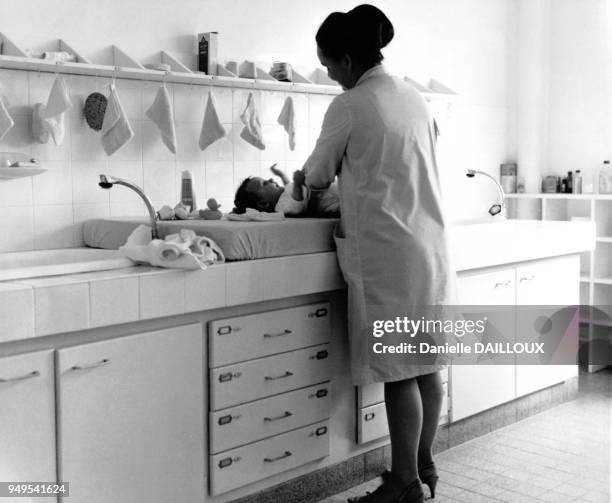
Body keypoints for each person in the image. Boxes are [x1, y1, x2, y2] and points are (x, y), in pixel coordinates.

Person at [303, 5, 457, 503]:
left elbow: (316, 175)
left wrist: (293, 194)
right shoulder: (414, 97)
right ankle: (424, 463)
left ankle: (405, 484)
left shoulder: (351, 103)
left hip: (390, 254)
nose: (327, 72)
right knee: (428, 363)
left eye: (327, 62)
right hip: (429, 246)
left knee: (398, 373)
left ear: (347, 59)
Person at [233, 163, 339, 216]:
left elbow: (288, 185)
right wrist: (297, 184)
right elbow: (296, 206)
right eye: (264, 183)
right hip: (331, 200)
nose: (270, 179)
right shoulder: (281, 207)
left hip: (329, 189)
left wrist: (280, 174)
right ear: (263, 203)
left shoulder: (284, 194)